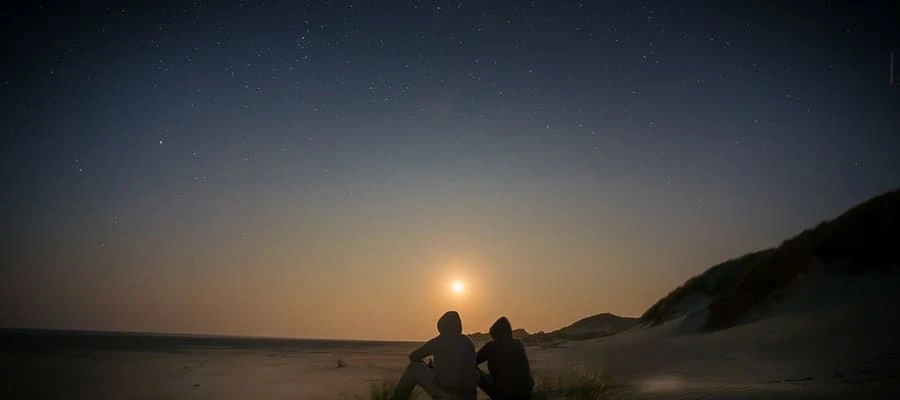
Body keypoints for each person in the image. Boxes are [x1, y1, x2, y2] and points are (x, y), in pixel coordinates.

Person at [392, 311, 479, 400]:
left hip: (448, 394)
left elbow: (413, 356)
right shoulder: (468, 343)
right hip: (470, 396)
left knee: (413, 367)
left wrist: (428, 367)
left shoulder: (440, 340)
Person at [476, 317, 535, 399]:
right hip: (526, 393)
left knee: (473, 370)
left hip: (503, 393)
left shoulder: (492, 347)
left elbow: (471, 361)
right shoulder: (518, 344)